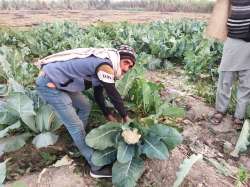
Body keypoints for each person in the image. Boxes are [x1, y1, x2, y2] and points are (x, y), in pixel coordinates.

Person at [35, 45, 136, 178]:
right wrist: (125, 117)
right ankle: (96, 167)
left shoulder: (106, 64)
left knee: (85, 106)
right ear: (119, 58)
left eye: (130, 66)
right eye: (126, 63)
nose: (126, 68)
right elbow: (113, 94)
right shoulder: (105, 66)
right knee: (75, 126)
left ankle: (77, 144)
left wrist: (108, 114)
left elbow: (98, 93)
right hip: (50, 83)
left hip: (62, 83)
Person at [210, 0, 250, 129]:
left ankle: (239, 116)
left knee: (246, 83)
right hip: (232, 40)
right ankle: (220, 110)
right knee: (225, 79)